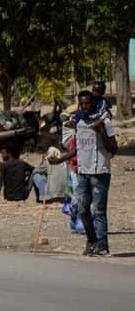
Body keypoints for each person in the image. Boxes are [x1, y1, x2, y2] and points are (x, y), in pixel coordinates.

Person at [49, 90, 119, 256]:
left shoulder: (105, 122)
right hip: (83, 172)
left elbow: (113, 149)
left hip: (100, 172)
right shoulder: (79, 122)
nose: (85, 107)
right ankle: (92, 241)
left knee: (99, 210)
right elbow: (77, 149)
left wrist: (101, 131)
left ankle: (102, 245)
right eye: (82, 104)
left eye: (88, 103)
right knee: (81, 208)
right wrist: (59, 160)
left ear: (93, 103)